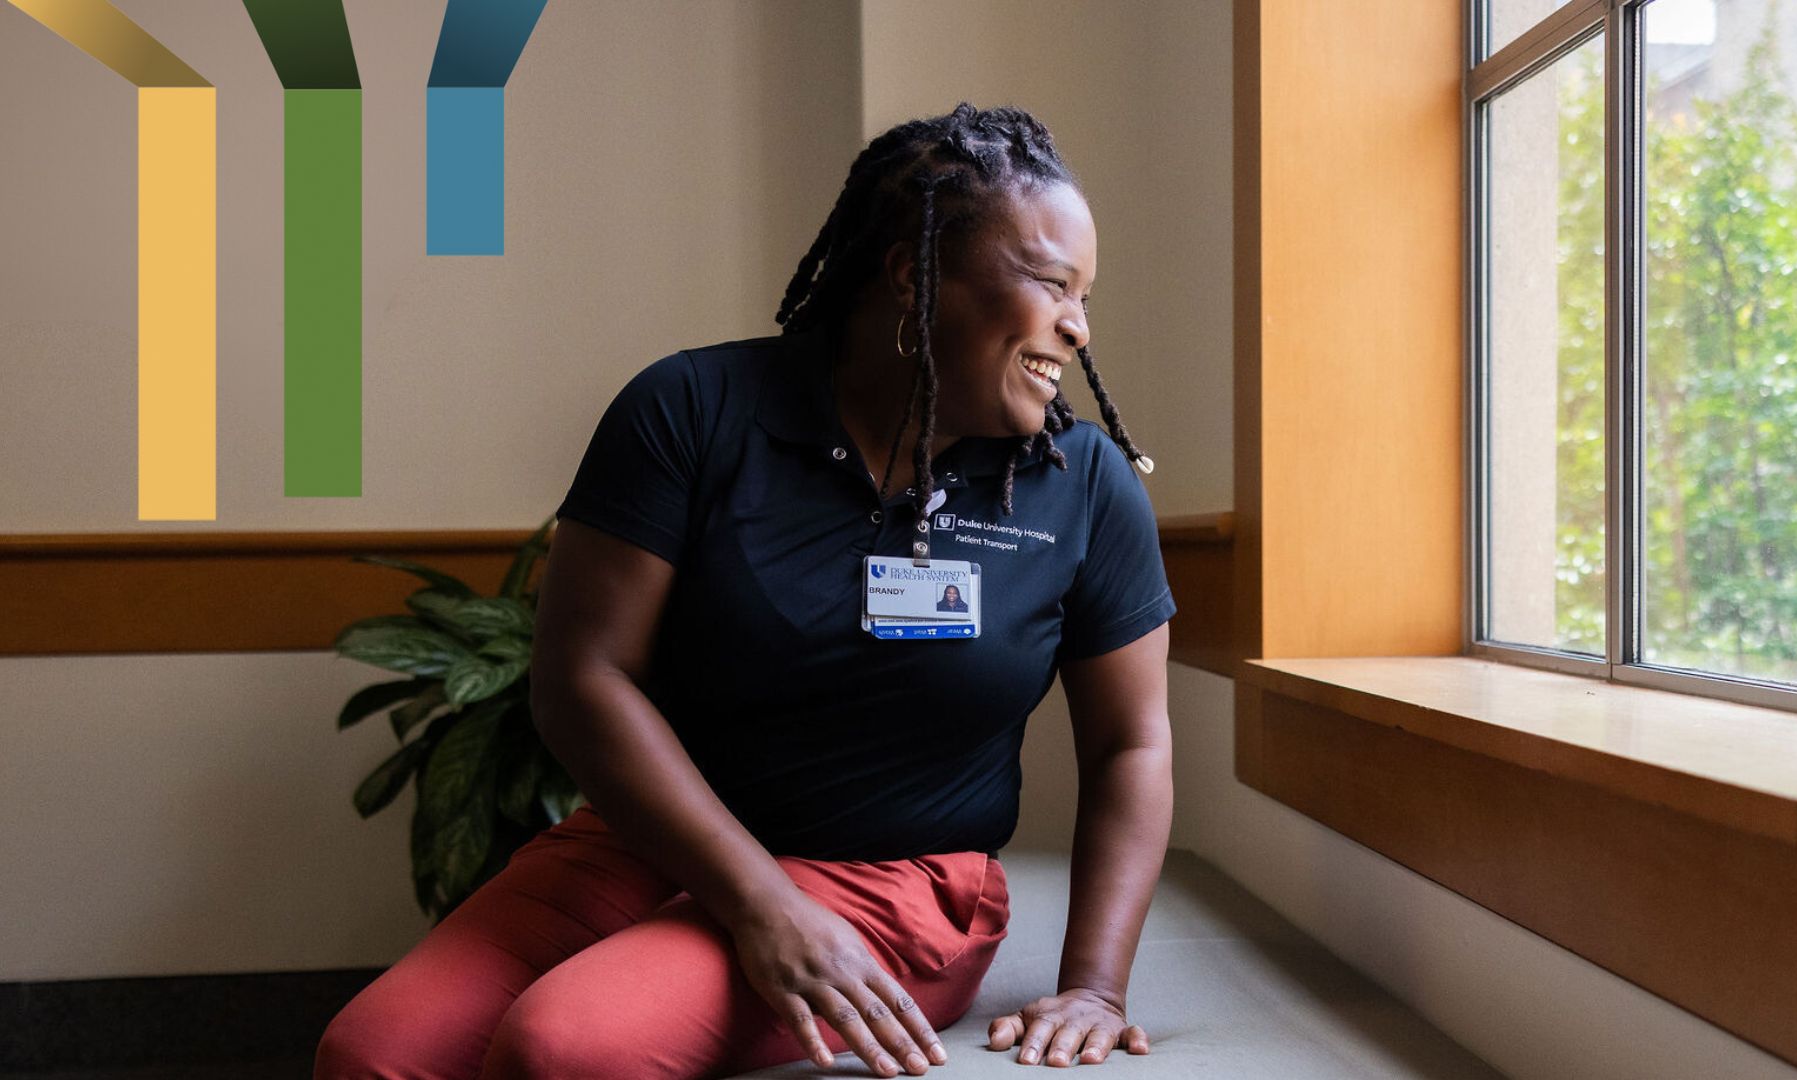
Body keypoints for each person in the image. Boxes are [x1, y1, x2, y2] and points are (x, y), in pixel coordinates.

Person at [314, 101, 1175, 1080]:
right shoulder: (693, 412)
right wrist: (762, 902)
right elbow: (582, 674)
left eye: (1086, 293)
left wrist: (1095, 987)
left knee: (564, 1047)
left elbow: (1131, 743)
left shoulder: (1081, 481)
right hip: (660, 845)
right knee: (371, 1054)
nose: (1079, 324)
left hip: (896, 879)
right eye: (1053, 285)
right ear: (914, 273)